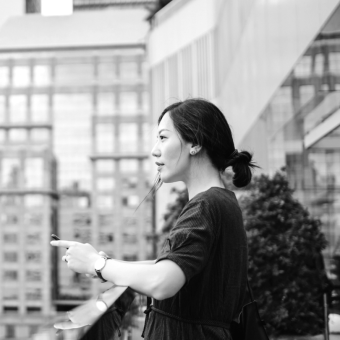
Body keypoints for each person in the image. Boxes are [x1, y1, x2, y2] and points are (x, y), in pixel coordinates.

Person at [51, 98, 258, 340]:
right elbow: (170, 265)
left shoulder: (206, 205)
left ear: (196, 143)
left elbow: (162, 281)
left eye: (163, 137)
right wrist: (102, 264)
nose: (154, 150)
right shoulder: (223, 202)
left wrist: (97, 265)